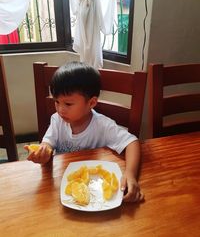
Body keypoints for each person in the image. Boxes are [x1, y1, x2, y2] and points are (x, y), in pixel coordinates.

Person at [25, 61, 143, 203]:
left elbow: (132, 142)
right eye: (56, 101)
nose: (60, 109)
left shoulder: (102, 125)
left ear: (91, 103)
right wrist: (43, 154)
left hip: (94, 188)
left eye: (68, 104)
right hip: (64, 185)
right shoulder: (57, 120)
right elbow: (47, 145)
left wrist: (130, 174)